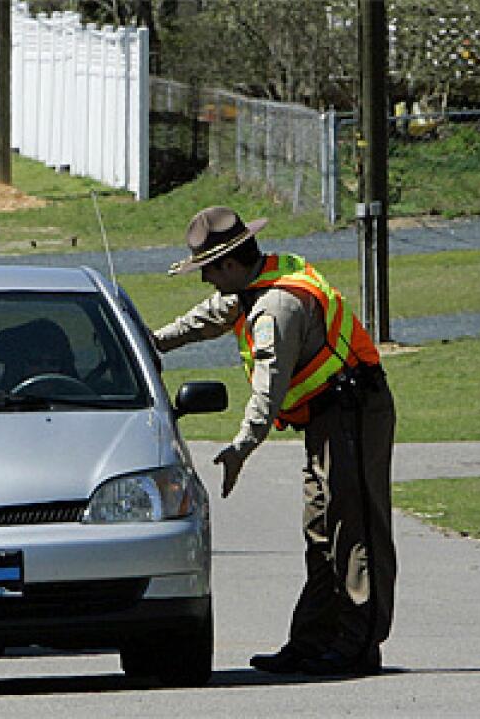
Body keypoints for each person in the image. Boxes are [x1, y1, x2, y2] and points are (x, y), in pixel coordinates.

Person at [153, 206, 396, 677]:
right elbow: (208, 317)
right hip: (328, 418)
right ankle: (312, 641)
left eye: (207, 269)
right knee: (321, 530)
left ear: (228, 264)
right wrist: (152, 340)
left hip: (352, 412)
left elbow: (269, 386)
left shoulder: (275, 308)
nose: (205, 280)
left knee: (355, 531)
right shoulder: (255, 285)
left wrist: (242, 446)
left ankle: (358, 645)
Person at [0, 318, 78, 391]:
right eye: (35, 362)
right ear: (17, 366)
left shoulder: (83, 401)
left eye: (53, 363)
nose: (45, 369)